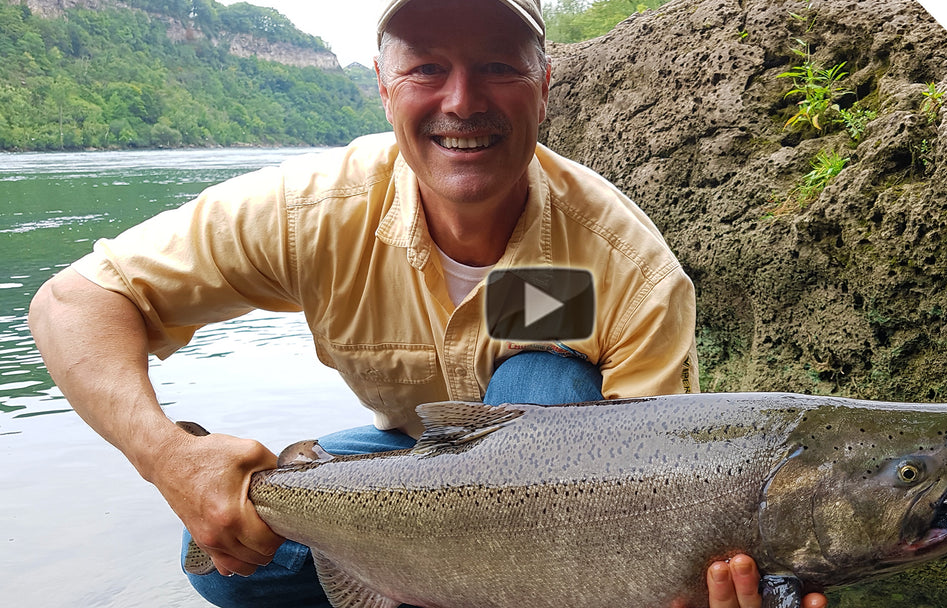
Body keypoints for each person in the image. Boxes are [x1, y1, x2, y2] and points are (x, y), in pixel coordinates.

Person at [28, 1, 827, 607]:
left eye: (499, 68)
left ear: (544, 87)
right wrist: (168, 457)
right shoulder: (314, 210)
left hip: (566, 511)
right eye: (426, 69)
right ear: (382, 86)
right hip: (409, 463)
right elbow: (72, 302)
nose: (462, 100)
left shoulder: (630, 267)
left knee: (543, 381)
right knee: (230, 561)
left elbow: (662, 491)